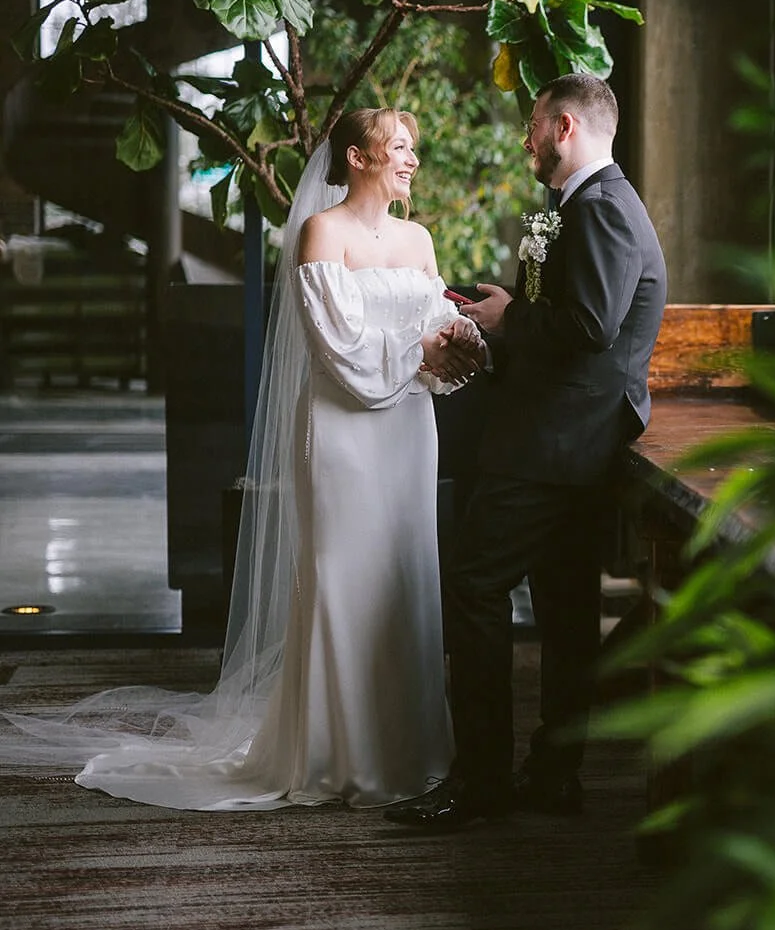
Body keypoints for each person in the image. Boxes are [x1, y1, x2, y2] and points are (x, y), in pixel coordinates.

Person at [0, 108, 479, 810]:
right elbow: (335, 349)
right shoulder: (322, 231)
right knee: (343, 580)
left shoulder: (419, 237)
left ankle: (411, 750)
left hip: (407, 431)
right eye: (400, 147)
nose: (412, 159)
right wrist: (420, 353)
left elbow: (442, 331)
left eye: (414, 147)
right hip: (344, 433)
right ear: (357, 156)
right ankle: (339, 753)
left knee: (404, 580)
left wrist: (459, 346)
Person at [386, 73, 668, 827]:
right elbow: (569, 328)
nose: (526, 137)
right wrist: (495, 330)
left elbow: (589, 328)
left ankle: (481, 782)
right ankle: (552, 771)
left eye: (535, 124)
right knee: (567, 609)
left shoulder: (602, 209)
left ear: (566, 127)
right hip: (568, 439)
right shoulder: (586, 205)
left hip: (553, 445)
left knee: (475, 587)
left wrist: (511, 319)